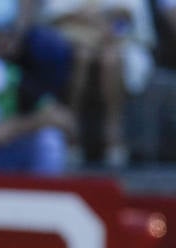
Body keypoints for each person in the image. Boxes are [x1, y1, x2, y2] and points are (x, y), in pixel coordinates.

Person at [41, 0, 154, 166]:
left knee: (111, 60)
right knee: (82, 57)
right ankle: (71, 133)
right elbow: (53, 18)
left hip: (117, 44)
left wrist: (105, 27)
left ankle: (113, 135)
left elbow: (132, 22)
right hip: (74, 43)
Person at [0, 10, 74, 173]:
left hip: (3, 156)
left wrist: (11, 127)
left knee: (49, 139)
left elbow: (64, 121)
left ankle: (46, 193)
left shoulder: (12, 79)